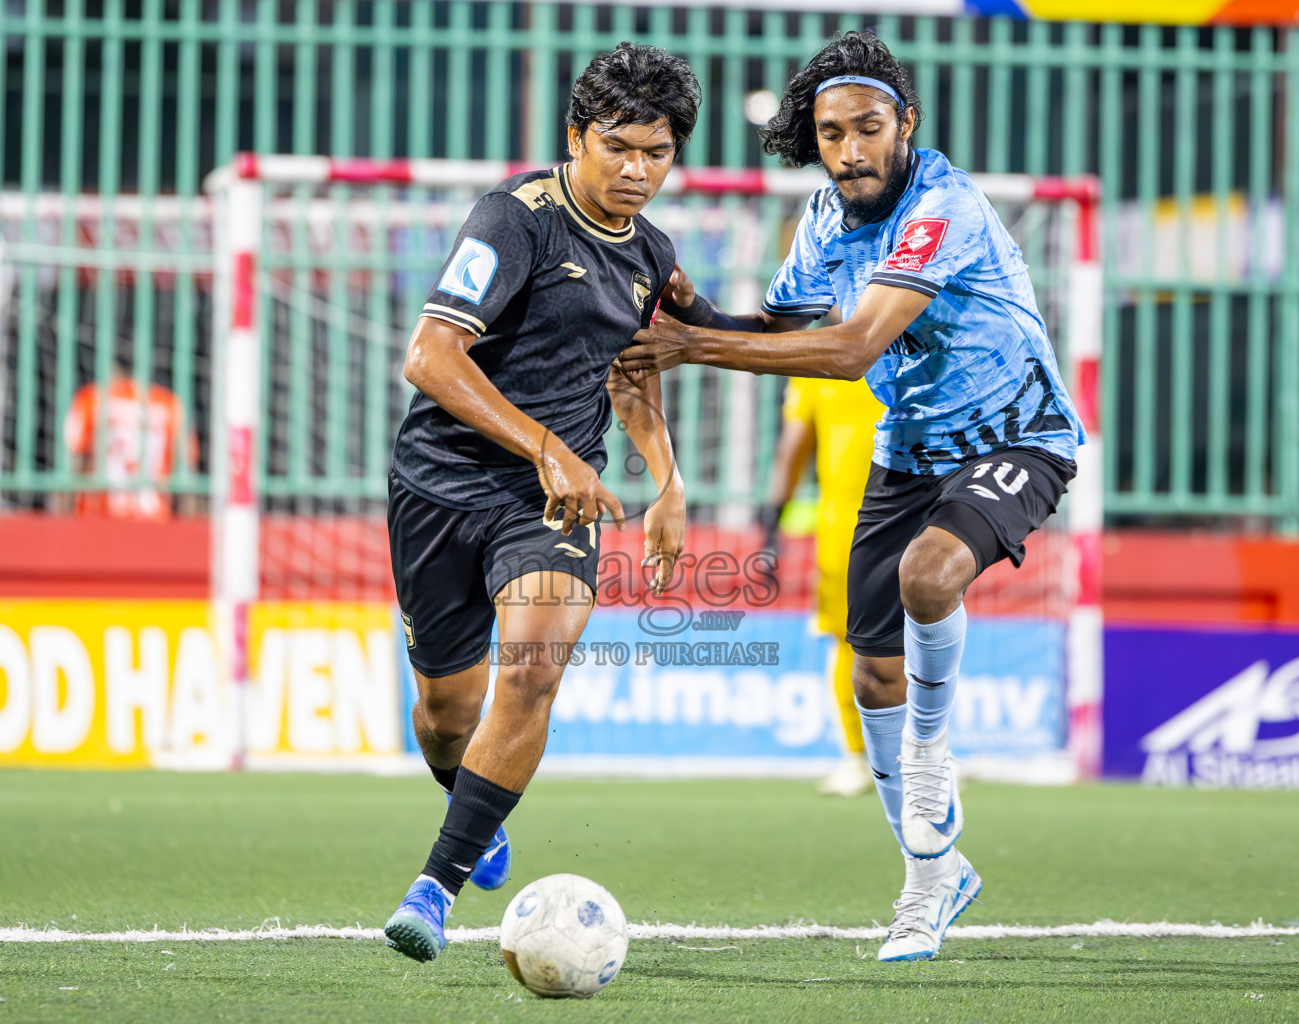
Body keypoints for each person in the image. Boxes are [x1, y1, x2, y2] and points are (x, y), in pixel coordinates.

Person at [622, 31, 1083, 962]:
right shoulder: (826, 220)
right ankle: (932, 879)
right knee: (869, 671)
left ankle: (928, 761)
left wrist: (692, 347)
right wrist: (691, 309)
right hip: (909, 452)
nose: (850, 149)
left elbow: (849, 350)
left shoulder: (940, 207)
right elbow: (785, 327)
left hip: (1019, 436)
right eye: (832, 133)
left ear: (904, 124)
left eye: (868, 128)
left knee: (930, 574)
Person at [382, 42, 700, 963]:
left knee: (532, 671)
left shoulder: (650, 254)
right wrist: (549, 447)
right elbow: (430, 357)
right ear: (576, 137)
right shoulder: (514, 219)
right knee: (446, 714)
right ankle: (469, 796)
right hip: (440, 485)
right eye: (619, 148)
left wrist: (667, 484)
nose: (638, 170)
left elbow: (631, 376)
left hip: (551, 506)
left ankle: (433, 890)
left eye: (657, 152)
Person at [762, 374, 888, 797]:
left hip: (854, 527)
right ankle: (902, 755)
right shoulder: (913, 346)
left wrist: (771, 525)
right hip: (899, 520)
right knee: (917, 637)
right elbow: (793, 447)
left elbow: (792, 447)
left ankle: (866, 758)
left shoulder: (821, 358)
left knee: (853, 642)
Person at [61, 351, 196, 520]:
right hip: (153, 516)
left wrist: (60, 516)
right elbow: (187, 470)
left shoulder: (92, 398)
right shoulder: (171, 404)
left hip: (98, 516)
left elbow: (73, 461)